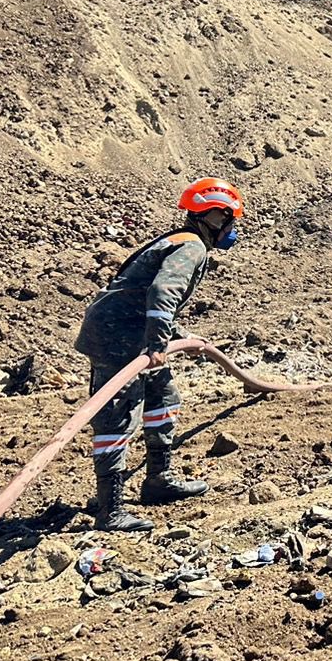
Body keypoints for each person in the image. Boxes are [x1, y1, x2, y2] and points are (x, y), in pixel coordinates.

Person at [74, 178, 244, 532]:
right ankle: (111, 510)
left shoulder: (181, 241)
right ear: (214, 217)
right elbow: (162, 291)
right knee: (117, 417)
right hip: (117, 338)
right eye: (230, 220)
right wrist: (155, 345)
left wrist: (177, 336)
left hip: (130, 330)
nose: (232, 229)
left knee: (164, 397)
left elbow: (142, 295)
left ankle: (158, 480)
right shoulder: (192, 247)